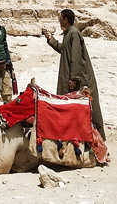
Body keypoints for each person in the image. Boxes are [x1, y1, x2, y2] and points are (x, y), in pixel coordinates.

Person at [41, 8, 105, 139]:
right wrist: (50, 38)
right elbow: (64, 50)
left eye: (60, 18)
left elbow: (75, 57)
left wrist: (74, 78)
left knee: (84, 107)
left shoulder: (74, 33)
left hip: (79, 78)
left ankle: (94, 136)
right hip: (71, 76)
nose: (59, 20)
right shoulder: (69, 33)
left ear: (65, 19)